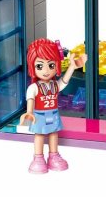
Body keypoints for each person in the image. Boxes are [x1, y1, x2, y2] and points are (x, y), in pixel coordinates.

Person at [20, 38, 87, 174]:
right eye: (40, 66)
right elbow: (31, 99)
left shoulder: (54, 85)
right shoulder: (34, 87)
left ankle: (53, 156)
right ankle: (38, 158)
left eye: (51, 65)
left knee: (53, 134)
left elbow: (63, 82)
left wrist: (72, 67)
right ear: (32, 67)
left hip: (53, 114)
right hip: (39, 115)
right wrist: (29, 112)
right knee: (39, 135)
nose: (46, 70)